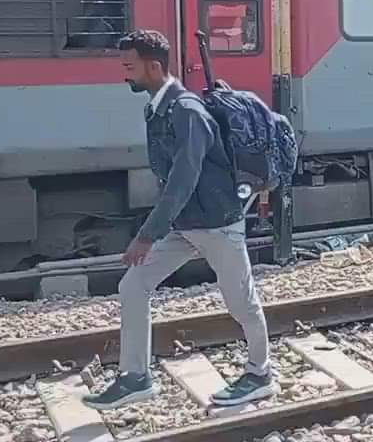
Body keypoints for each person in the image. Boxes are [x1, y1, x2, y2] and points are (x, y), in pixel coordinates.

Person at [85, 30, 278, 411]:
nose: (125, 75)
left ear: (154, 67)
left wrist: (147, 234)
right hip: (186, 225)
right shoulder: (159, 108)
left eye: (130, 67)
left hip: (217, 224)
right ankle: (136, 377)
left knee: (241, 303)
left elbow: (183, 178)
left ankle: (261, 373)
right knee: (134, 286)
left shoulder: (187, 112)